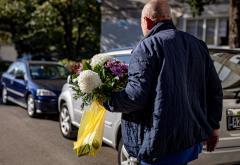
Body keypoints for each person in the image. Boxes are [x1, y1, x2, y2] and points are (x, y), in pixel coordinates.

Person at [104, 0, 223, 164]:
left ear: (147, 21)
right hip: (189, 140)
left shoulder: (146, 46)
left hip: (160, 144)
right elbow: (214, 90)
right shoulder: (197, 44)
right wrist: (214, 127)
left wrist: (107, 100)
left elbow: (135, 97)